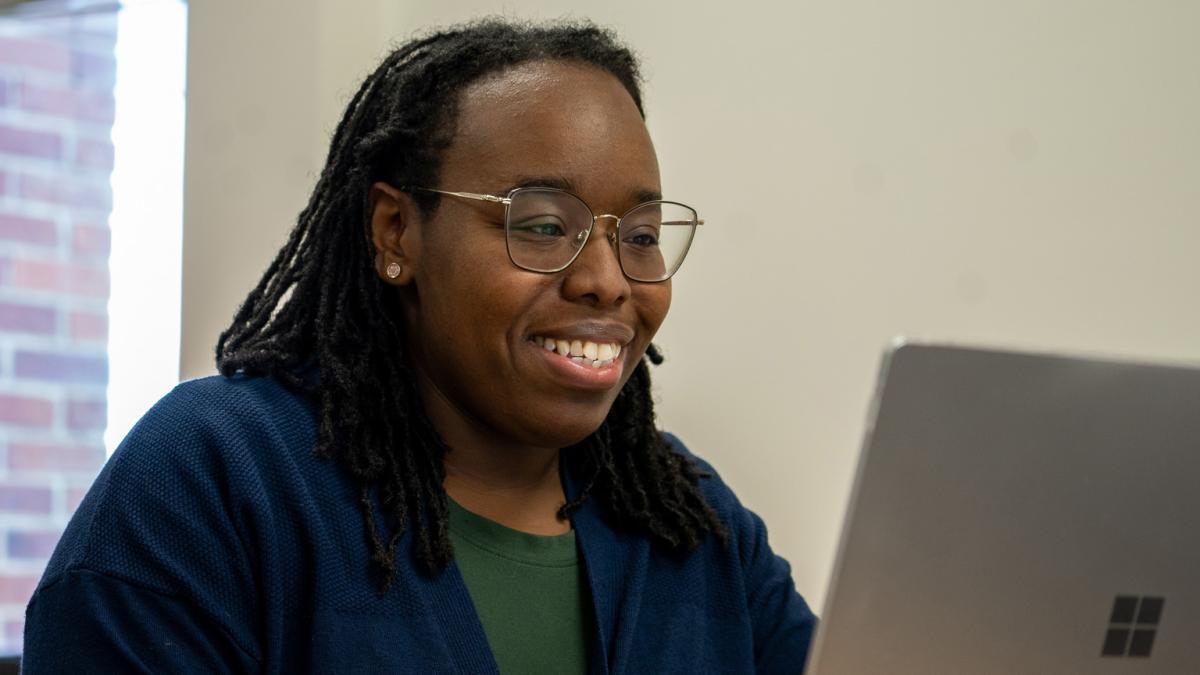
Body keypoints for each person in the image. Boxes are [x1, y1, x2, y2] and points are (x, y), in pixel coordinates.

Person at [22, 19, 816, 674]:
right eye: (544, 225)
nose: (607, 281)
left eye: (639, 235)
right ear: (396, 231)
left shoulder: (690, 523)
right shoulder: (210, 480)